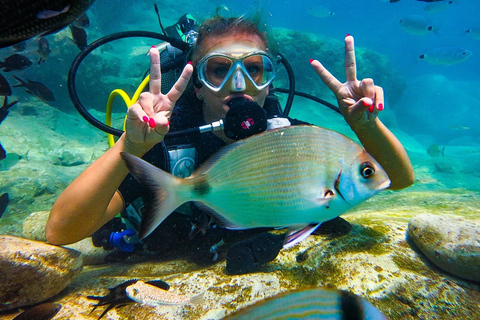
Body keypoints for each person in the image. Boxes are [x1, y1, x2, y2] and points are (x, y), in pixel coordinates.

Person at [46, 14, 414, 268]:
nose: (239, 86)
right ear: (197, 83)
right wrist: (131, 147)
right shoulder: (169, 140)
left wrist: (367, 126)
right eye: (219, 70)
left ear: (270, 79)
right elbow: (61, 231)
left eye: (254, 69)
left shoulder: (292, 137)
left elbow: (397, 180)